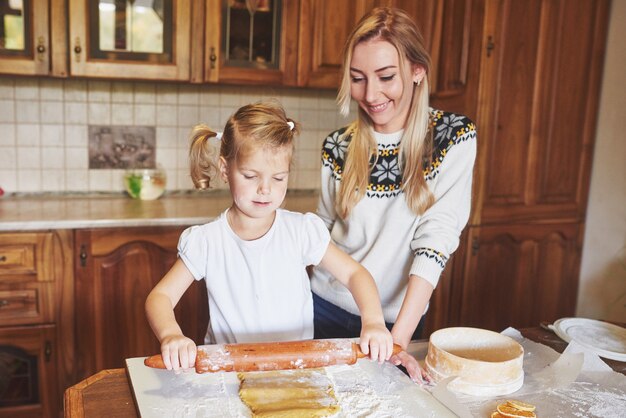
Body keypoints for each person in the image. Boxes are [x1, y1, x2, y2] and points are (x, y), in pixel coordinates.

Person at [145, 100, 393, 371]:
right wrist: (171, 334)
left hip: (296, 369)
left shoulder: (301, 231)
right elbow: (160, 297)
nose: (265, 189)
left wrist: (373, 322)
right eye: (251, 176)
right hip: (228, 372)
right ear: (225, 169)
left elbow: (355, 274)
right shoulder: (207, 241)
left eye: (279, 178)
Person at [310, 7, 477, 382]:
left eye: (386, 77)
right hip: (325, 307)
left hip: (398, 318)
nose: (370, 95)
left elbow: (436, 240)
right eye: (357, 79)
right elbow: (320, 234)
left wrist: (397, 341)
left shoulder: (452, 137)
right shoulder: (337, 146)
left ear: (417, 71)